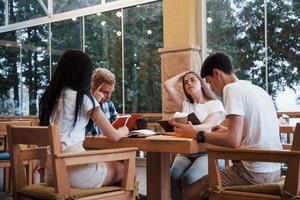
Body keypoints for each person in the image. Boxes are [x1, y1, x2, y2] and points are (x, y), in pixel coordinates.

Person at [173, 53, 282, 200]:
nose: (212, 87)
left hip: (253, 173)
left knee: (189, 193)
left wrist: (196, 134)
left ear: (217, 73)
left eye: (210, 82)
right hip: (274, 169)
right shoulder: (259, 90)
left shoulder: (231, 89)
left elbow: (233, 141)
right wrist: (225, 131)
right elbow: (247, 133)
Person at [39, 49, 129, 189]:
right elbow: (114, 136)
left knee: (109, 165)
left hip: (51, 174)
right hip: (74, 172)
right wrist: (123, 130)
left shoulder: (50, 98)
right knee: (125, 169)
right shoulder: (84, 98)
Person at [164, 70, 225, 200]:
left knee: (189, 178)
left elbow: (208, 126)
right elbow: (167, 85)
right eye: (186, 82)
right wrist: (185, 73)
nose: (189, 83)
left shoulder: (215, 104)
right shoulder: (186, 105)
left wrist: (184, 127)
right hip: (186, 153)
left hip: (208, 153)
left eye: (193, 80)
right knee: (172, 176)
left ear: (202, 83)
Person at [86, 68, 119, 135]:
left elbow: (117, 125)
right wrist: (95, 102)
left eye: (111, 92)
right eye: (105, 92)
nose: (109, 97)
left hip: (106, 143)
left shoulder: (109, 104)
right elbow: (86, 131)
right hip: (90, 144)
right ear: (94, 88)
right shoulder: (85, 105)